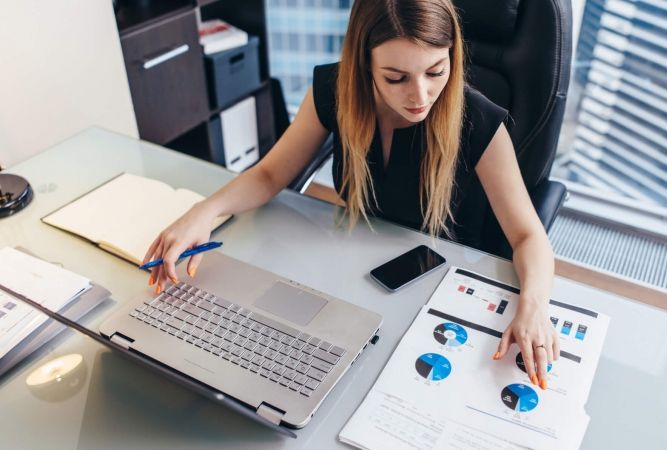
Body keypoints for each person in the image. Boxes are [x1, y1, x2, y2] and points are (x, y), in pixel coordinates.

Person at [143, 0, 558, 389]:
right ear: (364, 64)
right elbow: (271, 173)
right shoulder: (335, 90)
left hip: (438, 287)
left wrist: (535, 305)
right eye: (395, 78)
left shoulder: (478, 120)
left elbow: (528, 236)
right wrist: (203, 211)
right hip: (356, 272)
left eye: (436, 71)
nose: (420, 96)